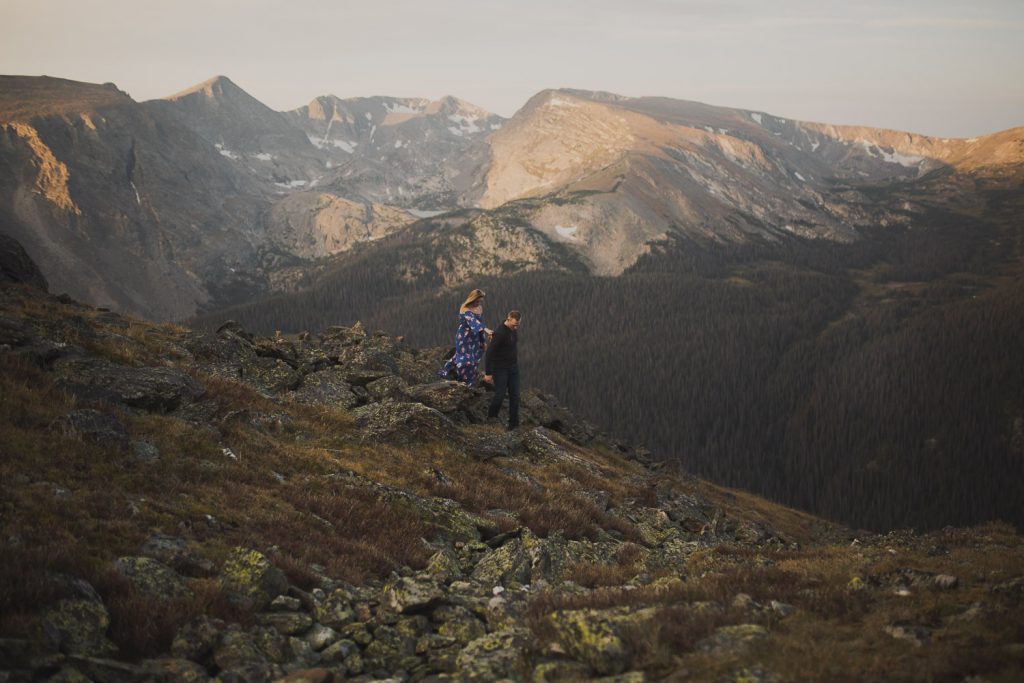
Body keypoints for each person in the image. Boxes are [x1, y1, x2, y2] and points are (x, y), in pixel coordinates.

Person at [439, 288, 492, 386]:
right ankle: (464, 380)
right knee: (465, 358)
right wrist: (486, 330)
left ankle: (458, 374)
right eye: (477, 301)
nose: (479, 303)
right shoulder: (465, 308)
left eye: (481, 301)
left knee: (474, 357)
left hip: (475, 336)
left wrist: (483, 341)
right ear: (472, 299)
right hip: (464, 337)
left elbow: (479, 323)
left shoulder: (479, 308)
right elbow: (473, 321)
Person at [483, 310, 521, 430]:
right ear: (508, 319)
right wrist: (488, 373)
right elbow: (489, 353)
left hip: (513, 368)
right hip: (500, 368)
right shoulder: (499, 333)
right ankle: (492, 417)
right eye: (514, 324)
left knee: (515, 395)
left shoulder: (513, 331)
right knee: (500, 394)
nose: (516, 327)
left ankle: (513, 424)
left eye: (518, 325)